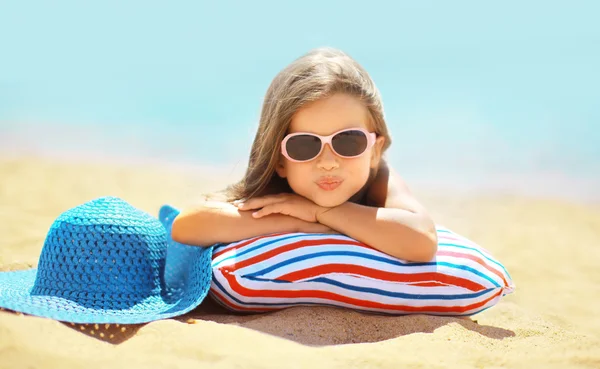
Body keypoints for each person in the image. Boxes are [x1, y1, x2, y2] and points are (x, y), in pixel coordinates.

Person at [171, 47, 438, 262]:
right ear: (279, 160)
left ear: (374, 151)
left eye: (348, 141)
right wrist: (300, 222)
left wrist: (319, 212)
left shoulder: (379, 178)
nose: (328, 162)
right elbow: (187, 225)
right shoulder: (275, 199)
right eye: (304, 145)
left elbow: (423, 240)